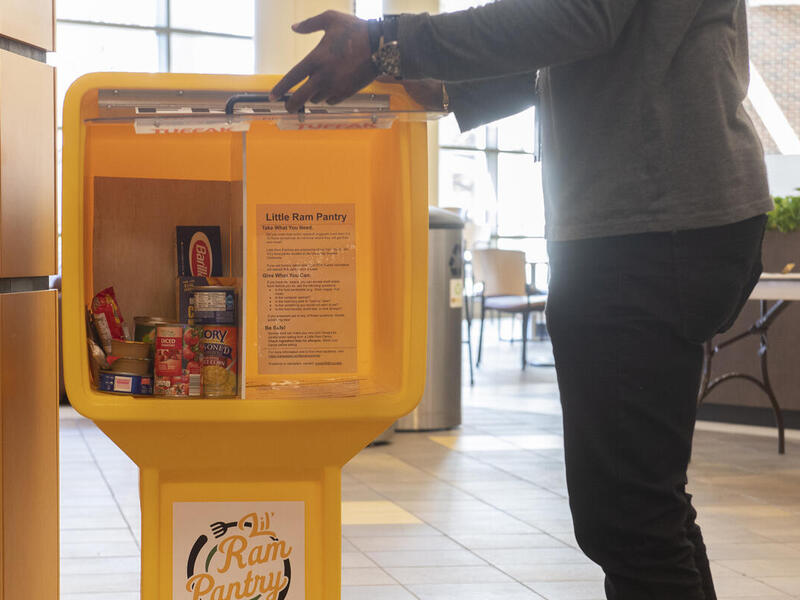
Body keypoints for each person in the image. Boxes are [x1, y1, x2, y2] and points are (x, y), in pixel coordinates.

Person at [271, 2, 772, 599]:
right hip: (662, 216)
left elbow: (578, 19)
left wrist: (387, 39)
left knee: (628, 518)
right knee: (648, 502)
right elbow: (590, 42)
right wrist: (445, 85)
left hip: (648, 222)